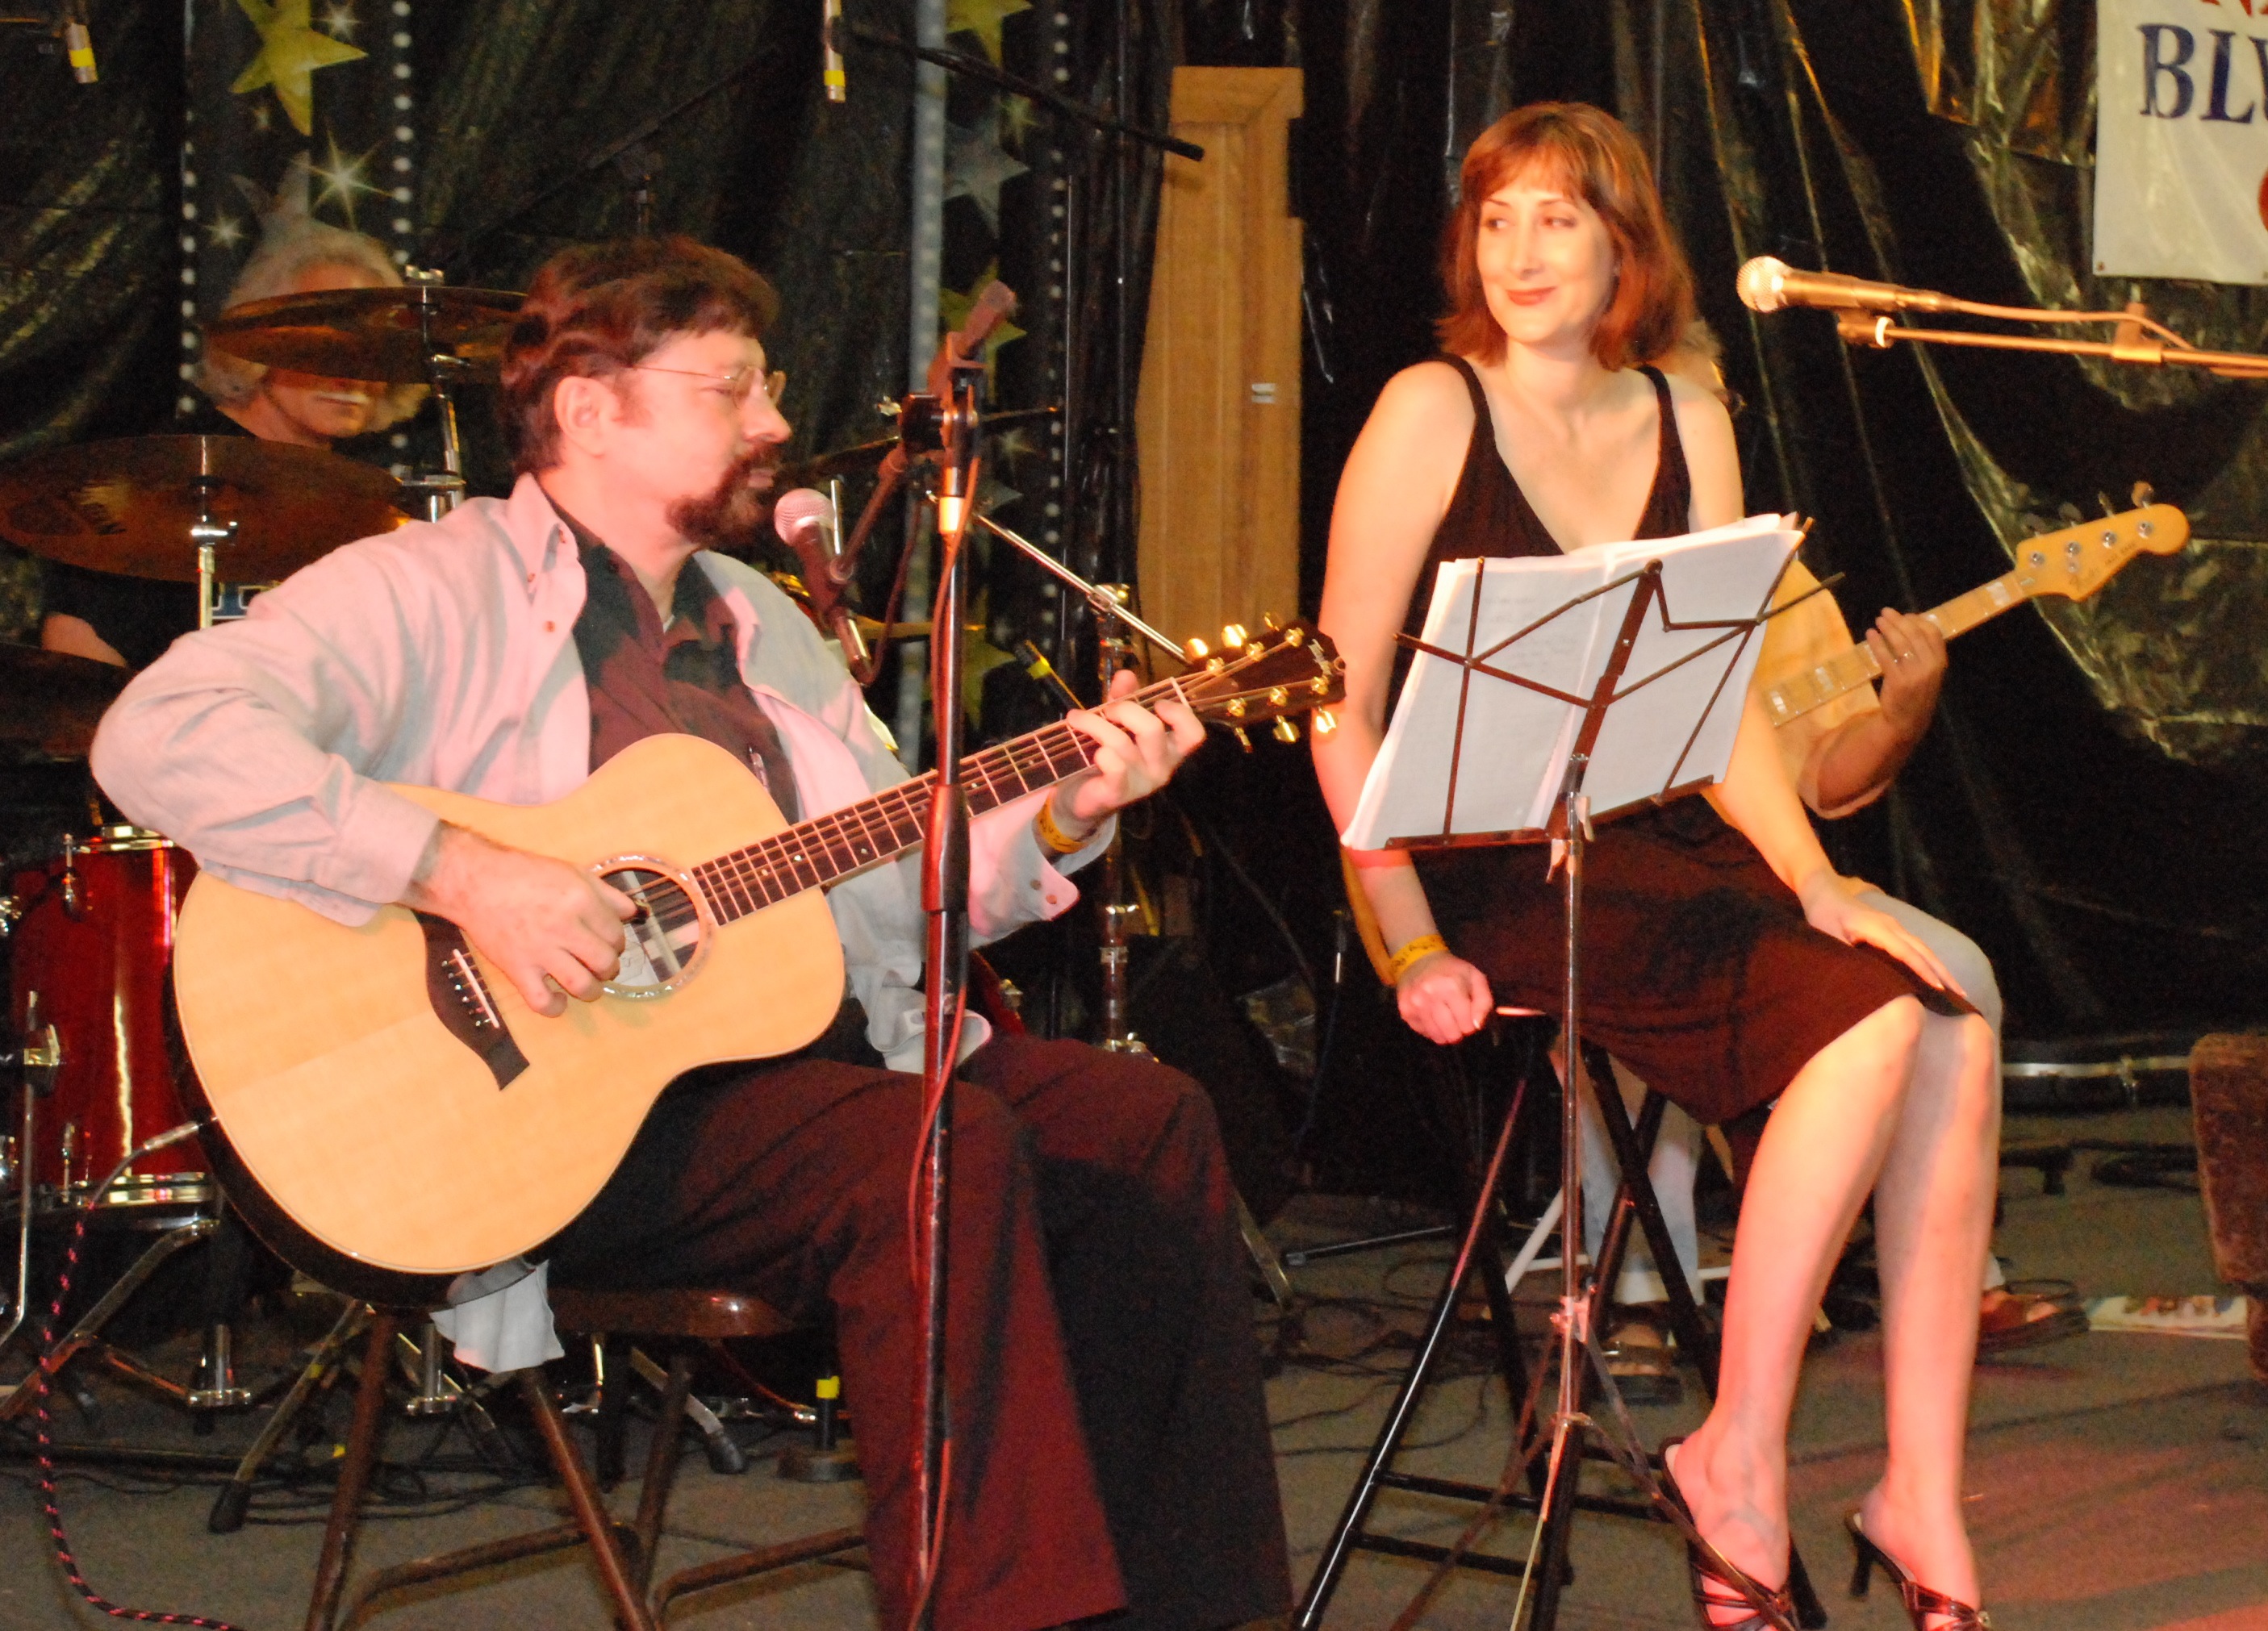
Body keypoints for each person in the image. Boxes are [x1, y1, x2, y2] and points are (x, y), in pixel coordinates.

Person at [93, 236, 1290, 1631]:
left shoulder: (763, 627)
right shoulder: (428, 588)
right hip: (566, 1120)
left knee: (1140, 1118)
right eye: (734, 389)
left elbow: (899, 880)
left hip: (817, 1075)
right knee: (942, 1155)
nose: (777, 423)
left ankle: (1188, 1611)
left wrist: (1071, 808)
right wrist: (465, 873)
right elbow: (155, 732)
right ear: (594, 411)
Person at [1310, 105, 1998, 1631]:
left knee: (1950, 995)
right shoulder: (1432, 406)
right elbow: (1335, 702)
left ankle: (1920, 1488)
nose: (1522, 252)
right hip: (1497, 857)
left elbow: (1721, 699)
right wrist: (1408, 941)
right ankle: (1738, 1451)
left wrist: (1814, 875)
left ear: (1626, 239)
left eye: (1558, 217)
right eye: (1496, 219)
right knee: (1876, 1011)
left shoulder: (1685, 404)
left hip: (1669, 837)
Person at [1573, 329, 2080, 1391]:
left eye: (1706, 410)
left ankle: (1947, 1275)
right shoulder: (1566, 556)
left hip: (1767, 871)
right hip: (1617, 884)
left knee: (1961, 975)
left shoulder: (1779, 580)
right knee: (1619, 1023)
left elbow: (1830, 783)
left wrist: (1904, 707)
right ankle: (1633, 1299)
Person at [41, 221, 418, 670]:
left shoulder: (378, 501)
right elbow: (77, 654)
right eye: (322, 343)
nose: (347, 372)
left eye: (371, 346)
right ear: (255, 344)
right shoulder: (169, 471)